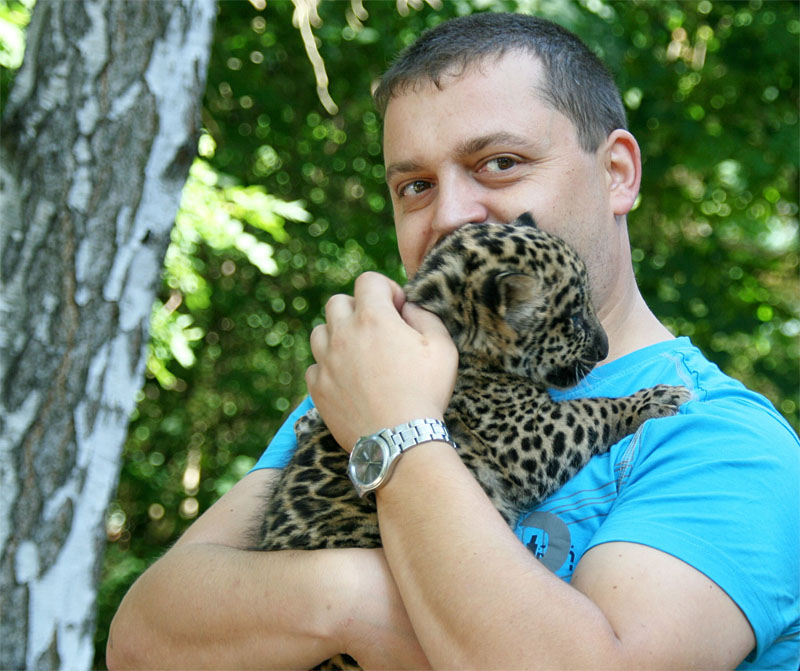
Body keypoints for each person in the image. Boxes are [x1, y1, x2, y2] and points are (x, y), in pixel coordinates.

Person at [107, 13, 800, 670]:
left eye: (500, 162)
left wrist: (397, 436)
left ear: (617, 173)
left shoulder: (722, 439)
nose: (450, 215)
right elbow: (142, 640)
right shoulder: (384, 382)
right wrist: (355, 596)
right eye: (414, 185)